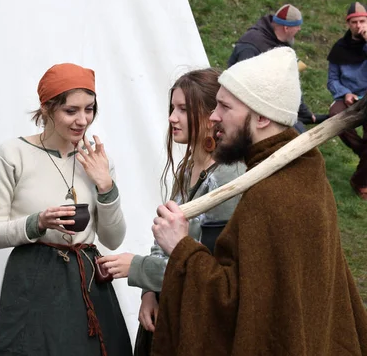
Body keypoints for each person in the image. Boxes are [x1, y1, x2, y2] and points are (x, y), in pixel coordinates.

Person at [149, 47, 367, 355]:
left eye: (224, 107)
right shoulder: (306, 172)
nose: (214, 116)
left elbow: (236, 307)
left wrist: (181, 248)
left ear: (262, 117)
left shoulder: (271, 196)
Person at [0, 63, 132, 356]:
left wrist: (105, 186)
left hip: (87, 279)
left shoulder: (97, 160)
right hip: (33, 279)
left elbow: (113, 239)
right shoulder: (12, 155)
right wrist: (39, 222)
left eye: (89, 109)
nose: (82, 120)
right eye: (71, 110)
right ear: (47, 108)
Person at [97, 69, 244, 355]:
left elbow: (209, 264)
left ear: (211, 114)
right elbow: (164, 239)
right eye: (172, 108)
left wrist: (137, 268)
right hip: (170, 310)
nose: (172, 118)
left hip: (201, 325)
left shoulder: (229, 178)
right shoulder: (189, 168)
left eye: (183, 110)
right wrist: (149, 291)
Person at [227, 4, 325, 132]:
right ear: (286, 28)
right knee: (294, 134)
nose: (299, 29)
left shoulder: (281, 45)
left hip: (271, 103)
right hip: (249, 107)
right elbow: (242, 85)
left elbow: (289, 83)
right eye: (297, 26)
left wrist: (303, 112)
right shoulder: (251, 44)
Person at [327, 1, 367, 199]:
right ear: (348, 24)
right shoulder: (340, 48)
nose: (359, 26)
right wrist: (345, 93)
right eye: (354, 22)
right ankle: (363, 153)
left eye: (362, 21)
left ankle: (359, 180)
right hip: (348, 96)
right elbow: (332, 79)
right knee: (336, 118)